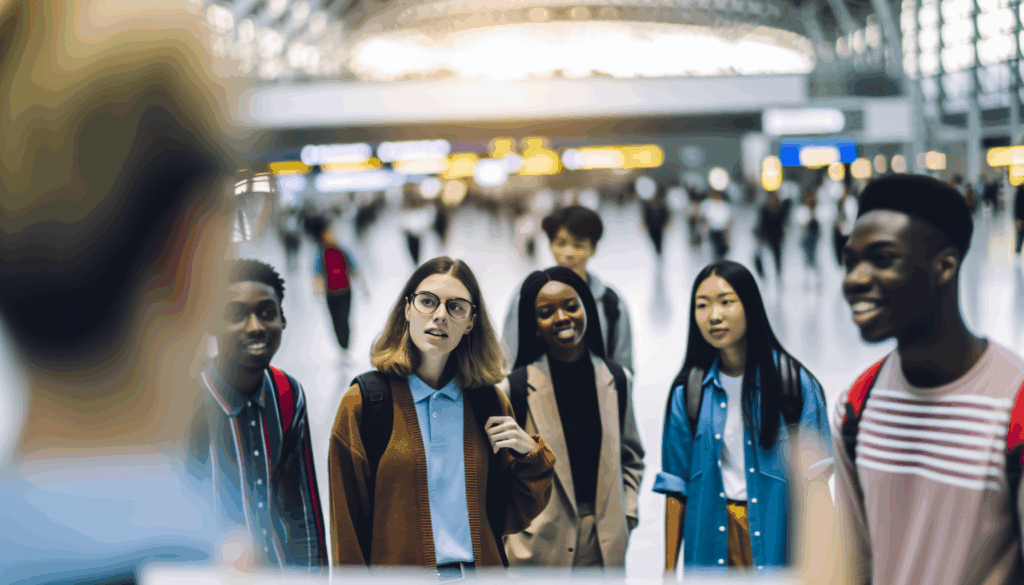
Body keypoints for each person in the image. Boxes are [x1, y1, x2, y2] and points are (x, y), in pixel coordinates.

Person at [833, 174, 1024, 585]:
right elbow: (852, 565)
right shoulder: (856, 407)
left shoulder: (1015, 408)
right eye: (850, 262)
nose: (854, 279)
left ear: (944, 267)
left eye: (882, 258)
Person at [327, 257, 556, 574]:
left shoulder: (488, 402)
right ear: (408, 309)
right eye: (427, 302)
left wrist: (532, 459)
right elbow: (346, 528)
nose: (440, 316)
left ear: (471, 322)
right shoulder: (364, 403)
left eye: (456, 307)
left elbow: (510, 516)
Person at [654, 260, 832, 574]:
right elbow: (676, 488)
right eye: (702, 305)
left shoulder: (795, 385)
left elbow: (816, 484)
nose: (714, 316)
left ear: (750, 306)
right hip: (710, 546)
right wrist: (669, 574)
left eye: (726, 302)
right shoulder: (689, 392)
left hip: (780, 546)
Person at [500, 267, 645, 569]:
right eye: (546, 311)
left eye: (571, 306)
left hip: (605, 548)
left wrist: (627, 513)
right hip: (537, 550)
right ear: (534, 325)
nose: (562, 317)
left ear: (586, 310)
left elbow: (631, 456)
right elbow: (499, 474)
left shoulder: (617, 380)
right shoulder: (514, 388)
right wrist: (512, 536)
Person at [187, 259, 327, 571]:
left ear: (283, 319)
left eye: (266, 313)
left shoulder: (288, 392)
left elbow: (302, 506)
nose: (255, 327)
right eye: (236, 315)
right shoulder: (187, 401)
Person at [502, 206, 633, 374]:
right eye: (560, 243)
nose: (568, 253)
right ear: (550, 245)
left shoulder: (611, 305)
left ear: (593, 249)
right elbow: (508, 359)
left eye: (578, 245)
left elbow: (623, 372)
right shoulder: (527, 296)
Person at [308, 216, 367, 360]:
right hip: (331, 293)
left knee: (345, 317)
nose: (331, 237)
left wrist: (364, 287)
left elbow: (355, 268)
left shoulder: (343, 251)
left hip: (345, 291)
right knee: (335, 320)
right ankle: (341, 346)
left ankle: (346, 344)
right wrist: (317, 288)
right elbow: (317, 273)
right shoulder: (320, 254)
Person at [753, 190, 788, 284]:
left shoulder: (781, 209)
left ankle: (778, 276)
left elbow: (784, 223)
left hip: (776, 238)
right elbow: (760, 223)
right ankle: (763, 276)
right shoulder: (764, 209)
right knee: (761, 257)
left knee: (777, 258)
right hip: (765, 236)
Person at [699, 190, 733, 262]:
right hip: (713, 230)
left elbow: (729, 221)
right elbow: (704, 218)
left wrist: (728, 235)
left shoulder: (725, 206)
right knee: (714, 248)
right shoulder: (709, 205)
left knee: (721, 249)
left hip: (722, 230)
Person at [832, 187, 858, 267]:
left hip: (849, 232)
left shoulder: (850, 201)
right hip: (840, 233)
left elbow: (852, 218)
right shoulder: (838, 203)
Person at [643, 192, 670, 257]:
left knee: (660, 241)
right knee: (654, 240)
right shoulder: (648, 208)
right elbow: (646, 218)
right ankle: (657, 251)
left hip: (659, 228)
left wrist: (667, 224)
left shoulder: (662, 207)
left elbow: (665, 216)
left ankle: (659, 252)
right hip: (652, 228)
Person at [276, 208, 301, 272]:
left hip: (294, 237)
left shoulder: (297, 219)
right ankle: (289, 265)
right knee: (289, 253)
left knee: (294, 253)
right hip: (289, 237)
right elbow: (283, 229)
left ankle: (294, 265)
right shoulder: (286, 219)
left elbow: (299, 230)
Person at [1015, 182, 1024, 266]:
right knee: (1019, 235)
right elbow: (1017, 206)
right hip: (1021, 218)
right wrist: (1018, 218)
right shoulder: (1020, 191)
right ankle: (1017, 252)